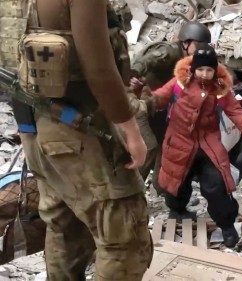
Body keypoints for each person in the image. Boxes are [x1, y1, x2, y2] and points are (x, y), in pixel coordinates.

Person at [10, 0, 152, 279]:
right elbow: (99, 69)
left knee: (65, 226)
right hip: (81, 128)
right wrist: (130, 129)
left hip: (34, 124)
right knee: (125, 239)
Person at [152, 44, 242, 247]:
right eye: (200, 69)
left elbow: (238, 114)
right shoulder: (179, 83)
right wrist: (140, 95)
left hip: (208, 144)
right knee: (176, 182)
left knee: (217, 185)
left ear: (215, 70)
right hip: (179, 142)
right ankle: (178, 209)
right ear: (193, 68)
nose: (205, 74)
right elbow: (157, 99)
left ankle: (226, 225)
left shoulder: (220, 89)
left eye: (209, 70)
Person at [129, 21, 212, 186]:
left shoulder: (190, 61)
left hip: (157, 106)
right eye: (200, 45)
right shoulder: (169, 51)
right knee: (149, 147)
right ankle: (130, 190)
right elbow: (146, 61)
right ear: (186, 43)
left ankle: (161, 188)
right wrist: (134, 74)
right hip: (139, 105)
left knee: (167, 144)